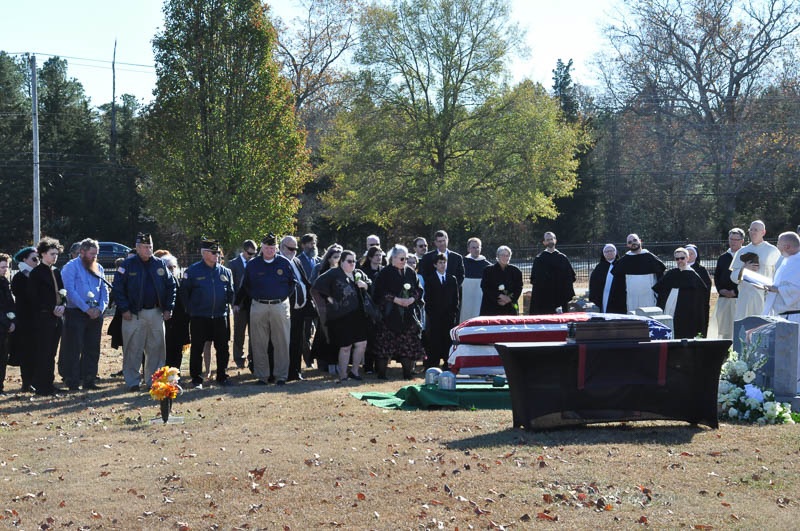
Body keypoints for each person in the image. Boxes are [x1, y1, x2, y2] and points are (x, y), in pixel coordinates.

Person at [111, 233, 177, 392]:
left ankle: (154, 381)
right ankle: (132, 382)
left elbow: (171, 286)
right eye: (145, 247)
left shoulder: (160, 264)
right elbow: (118, 288)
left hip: (156, 312)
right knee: (133, 348)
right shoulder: (127, 265)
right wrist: (124, 309)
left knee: (156, 348)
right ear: (138, 248)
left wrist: (168, 307)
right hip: (134, 314)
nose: (149, 250)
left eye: (150, 247)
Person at [235, 233, 296, 386]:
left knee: (281, 342)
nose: (270, 250)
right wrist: (238, 302)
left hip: (280, 306)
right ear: (262, 248)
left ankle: (281, 376)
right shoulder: (253, 264)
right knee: (258, 342)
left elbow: (292, 283)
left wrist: (282, 297)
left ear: (276, 248)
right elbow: (245, 285)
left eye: (273, 248)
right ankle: (262, 376)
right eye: (267, 248)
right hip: (259, 306)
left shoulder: (284, 262)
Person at [181, 239, 235, 388]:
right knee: (197, 348)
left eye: (217, 252)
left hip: (220, 316)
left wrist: (232, 303)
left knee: (223, 348)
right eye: (213, 252)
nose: (217, 255)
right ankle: (197, 379)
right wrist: (190, 310)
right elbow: (184, 293)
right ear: (204, 253)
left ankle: (222, 376)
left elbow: (231, 292)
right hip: (200, 317)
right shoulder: (192, 271)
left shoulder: (225, 272)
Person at [313, 250, 371, 382]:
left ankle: (354, 371)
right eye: (349, 261)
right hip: (342, 316)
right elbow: (317, 286)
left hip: (359, 314)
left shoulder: (358, 273)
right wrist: (330, 300)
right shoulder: (334, 273)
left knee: (362, 344)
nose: (352, 264)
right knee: (346, 346)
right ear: (342, 262)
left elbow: (371, 284)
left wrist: (365, 285)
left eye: (354, 261)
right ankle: (343, 374)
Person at [59, 238, 109, 391]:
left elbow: (104, 290)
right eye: (92, 254)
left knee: (92, 348)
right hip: (76, 313)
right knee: (74, 348)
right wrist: (86, 309)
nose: (95, 257)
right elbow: (70, 291)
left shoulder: (99, 267)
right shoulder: (70, 267)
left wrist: (100, 308)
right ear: (82, 252)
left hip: (95, 315)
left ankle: (89, 379)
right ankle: (72, 381)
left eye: (96, 254)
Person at [373, 245, 424, 379]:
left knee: (408, 344)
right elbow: (379, 292)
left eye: (406, 258)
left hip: (407, 314)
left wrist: (411, 299)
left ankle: (407, 374)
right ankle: (381, 374)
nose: (405, 261)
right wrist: (396, 300)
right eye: (402, 259)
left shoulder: (410, 272)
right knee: (385, 345)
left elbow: (418, 289)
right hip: (389, 314)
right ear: (393, 258)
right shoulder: (385, 273)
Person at [28, 237, 66, 396]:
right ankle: (41, 386)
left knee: (52, 353)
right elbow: (34, 297)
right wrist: (52, 308)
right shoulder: (36, 273)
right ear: (43, 254)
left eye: (56, 254)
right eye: (52, 254)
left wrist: (63, 305)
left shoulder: (56, 271)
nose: (55, 257)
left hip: (57, 318)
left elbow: (63, 292)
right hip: (43, 318)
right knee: (43, 352)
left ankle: (49, 384)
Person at [652, 248, 709, 339]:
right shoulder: (671, 273)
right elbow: (660, 288)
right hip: (670, 305)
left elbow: (700, 295)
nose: (680, 261)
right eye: (677, 259)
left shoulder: (693, 275)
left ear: (687, 258)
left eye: (682, 258)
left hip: (687, 308)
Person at [730, 220, 781, 320]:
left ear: (763, 232)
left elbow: (779, 275)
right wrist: (744, 269)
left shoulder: (772, 251)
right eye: (751, 230)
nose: (753, 232)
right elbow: (733, 277)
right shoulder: (742, 251)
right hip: (744, 299)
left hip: (764, 298)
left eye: (756, 230)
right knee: (743, 327)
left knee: (763, 326)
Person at [279, 235, 314, 381]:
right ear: (281, 247)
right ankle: (283, 372)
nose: (293, 251)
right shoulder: (277, 262)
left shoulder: (297, 261)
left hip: (300, 307)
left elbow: (304, 282)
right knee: (283, 341)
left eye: (295, 249)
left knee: (298, 340)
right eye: (290, 248)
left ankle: (295, 371)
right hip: (284, 309)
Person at [310, 244, 343, 374]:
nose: (338, 259)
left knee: (338, 337)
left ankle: (338, 362)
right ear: (329, 258)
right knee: (324, 337)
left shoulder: (342, 270)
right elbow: (316, 288)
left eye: (340, 257)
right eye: (335, 257)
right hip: (325, 310)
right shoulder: (322, 270)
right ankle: (326, 363)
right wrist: (328, 299)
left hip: (340, 310)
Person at [611, 233, 666, 313]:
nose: (633, 243)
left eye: (635, 240)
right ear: (627, 245)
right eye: (630, 242)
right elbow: (618, 285)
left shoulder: (651, 258)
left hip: (649, 298)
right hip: (631, 299)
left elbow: (660, 279)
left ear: (640, 241)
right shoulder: (623, 262)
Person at [423, 253, 459, 369]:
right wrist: (431, 314)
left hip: (448, 316)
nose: (443, 265)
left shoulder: (452, 279)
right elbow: (428, 299)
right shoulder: (430, 279)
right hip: (435, 316)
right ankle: (433, 362)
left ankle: (447, 362)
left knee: (447, 340)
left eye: (444, 262)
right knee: (435, 339)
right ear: (435, 265)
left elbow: (455, 298)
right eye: (440, 263)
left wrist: (453, 313)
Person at [708, 228, 745, 339]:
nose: (733, 242)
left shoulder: (746, 256)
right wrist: (721, 290)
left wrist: (735, 292)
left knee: (740, 329)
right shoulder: (723, 257)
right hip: (724, 298)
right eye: (731, 239)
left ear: (742, 241)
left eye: (736, 239)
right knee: (723, 329)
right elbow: (717, 277)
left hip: (740, 299)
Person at [10, 247, 38, 392]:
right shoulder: (19, 277)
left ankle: (37, 380)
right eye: (34, 258)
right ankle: (27, 382)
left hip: (38, 319)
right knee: (27, 352)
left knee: (37, 352)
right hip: (25, 320)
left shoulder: (38, 274)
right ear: (24, 259)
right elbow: (24, 296)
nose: (37, 261)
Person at [529, 232, 576, 314]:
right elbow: (534, 279)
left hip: (560, 296)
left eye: (551, 239)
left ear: (555, 240)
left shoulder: (562, 258)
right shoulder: (539, 259)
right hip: (544, 298)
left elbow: (571, 277)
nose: (550, 241)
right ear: (544, 242)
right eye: (547, 240)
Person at [229, 239, 256, 369]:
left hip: (253, 304)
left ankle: (252, 357)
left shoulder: (255, 263)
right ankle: (239, 358)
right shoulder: (233, 264)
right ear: (243, 251)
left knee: (254, 333)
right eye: (250, 253)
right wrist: (234, 303)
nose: (251, 256)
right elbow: (231, 286)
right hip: (239, 305)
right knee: (239, 333)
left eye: (254, 253)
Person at [763, 232, 800, 323]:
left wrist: (777, 289)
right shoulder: (787, 260)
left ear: (787, 247)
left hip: (794, 316)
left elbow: (797, 289)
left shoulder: (797, 262)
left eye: (778, 244)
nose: (777, 247)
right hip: (783, 315)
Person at [161, 253, 190, 369]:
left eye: (174, 266)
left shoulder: (181, 282)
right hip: (164, 322)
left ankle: (175, 373)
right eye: (169, 267)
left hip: (179, 323)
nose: (172, 269)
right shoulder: (159, 284)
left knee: (178, 350)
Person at [297, 233, 321, 368]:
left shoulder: (320, 261)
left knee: (321, 331)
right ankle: (308, 360)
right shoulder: (298, 261)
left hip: (320, 303)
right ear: (303, 245)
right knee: (306, 333)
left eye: (314, 243)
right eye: (310, 243)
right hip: (306, 302)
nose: (313, 246)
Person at [480, 245, 523, 316]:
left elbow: (519, 287)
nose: (505, 257)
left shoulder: (516, 271)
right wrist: (500, 296)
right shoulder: (488, 270)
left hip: (510, 306)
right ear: (497, 256)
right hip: (491, 306)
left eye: (507, 255)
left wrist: (509, 299)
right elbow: (485, 287)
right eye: (502, 255)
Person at [460, 237, 491, 322]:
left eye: (478, 247)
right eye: (473, 247)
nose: (476, 250)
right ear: (468, 249)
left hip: (480, 298)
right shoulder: (462, 263)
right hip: (465, 298)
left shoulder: (487, 266)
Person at [588, 244, 625, 313]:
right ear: (603, 254)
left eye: (611, 250)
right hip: (605, 296)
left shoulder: (621, 265)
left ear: (616, 252)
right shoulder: (599, 268)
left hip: (619, 296)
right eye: (607, 251)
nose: (609, 253)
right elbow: (593, 283)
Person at [685, 244, 711, 336]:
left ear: (696, 256)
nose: (689, 255)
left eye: (691, 253)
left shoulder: (701, 270)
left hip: (697, 303)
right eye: (687, 253)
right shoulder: (679, 269)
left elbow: (707, 286)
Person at [0, 253, 16, 393]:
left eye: (7, 267)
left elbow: (10, 304)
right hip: (2, 324)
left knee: (3, 357)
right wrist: (7, 322)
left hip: (5, 326)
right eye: (2, 267)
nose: (5, 270)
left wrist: (12, 320)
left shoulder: (5, 282)